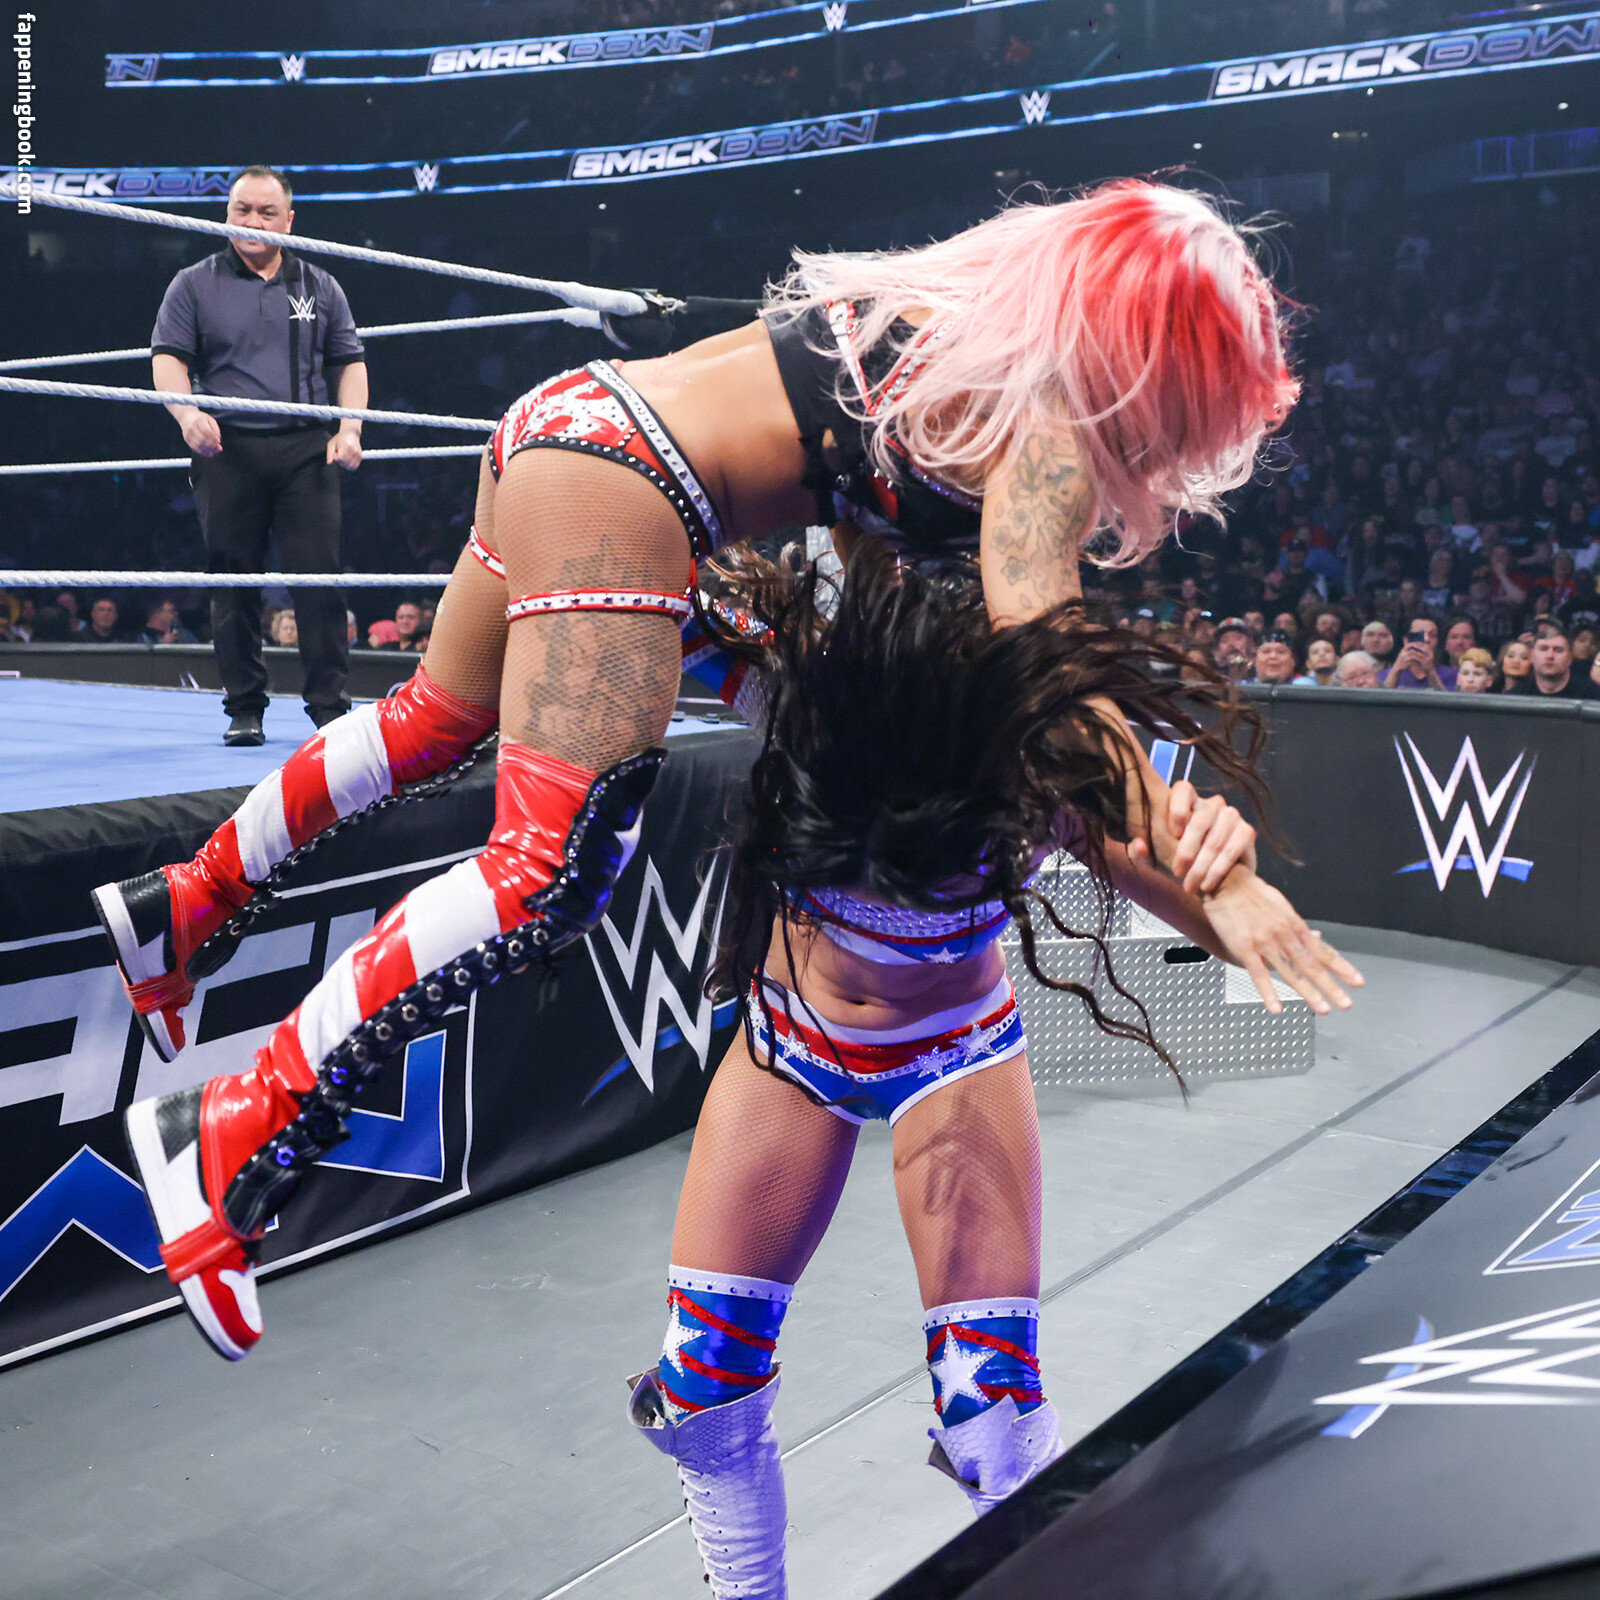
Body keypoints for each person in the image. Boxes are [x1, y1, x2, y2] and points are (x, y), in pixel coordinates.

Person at [93, 179, 1322, 1368]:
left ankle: (182, 903)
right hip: (628, 490)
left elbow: (865, 561)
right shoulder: (1043, 427)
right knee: (551, 867)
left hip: (574, 430)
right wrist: (1194, 846)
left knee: (431, 719)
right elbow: (1041, 646)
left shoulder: (956, 338)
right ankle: (232, 1124)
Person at [626, 552, 1360, 1596]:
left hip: (952, 1052)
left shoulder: (1042, 769)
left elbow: (1155, 857)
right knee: (702, 1389)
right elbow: (627, 577)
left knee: (994, 1420)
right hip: (792, 1043)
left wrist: (1227, 886)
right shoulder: (804, 696)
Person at [151, 164, 367, 746]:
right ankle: (244, 706)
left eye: (267, 212)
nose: (253, 221)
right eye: (242, 209)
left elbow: (349, 363)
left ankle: (330, 709)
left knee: (318, 576)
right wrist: (187, 414)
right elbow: (168, 358)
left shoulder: (320, 284)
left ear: (288, 220)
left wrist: (350, 428)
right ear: (227, 214)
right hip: (229, 445)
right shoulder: (192, 283)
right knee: (232, 578)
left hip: (306, 447)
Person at [1509, 625, 1600, 700]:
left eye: (1558, 650)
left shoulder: (1594, 696)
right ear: (1532, 656)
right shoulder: (1514, 698)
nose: (1550, 656)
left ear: (1569, 658)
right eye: (1544, 649)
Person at [1383, 616, 1456, 690]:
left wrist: (1431, 672)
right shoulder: (1385, 674)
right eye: (1420, 635)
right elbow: (1382, 696)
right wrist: (1396, 670)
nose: (1426, 639)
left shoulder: (1451, 675)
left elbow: (1446, 697)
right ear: (1406, 640)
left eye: (1432, 635)